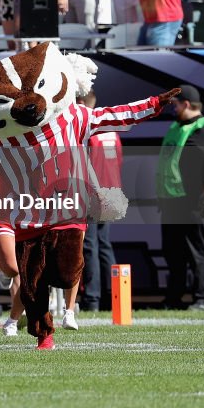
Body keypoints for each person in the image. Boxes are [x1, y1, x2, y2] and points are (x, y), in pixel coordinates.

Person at [156, 85, 204, 311]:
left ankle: (203, 299)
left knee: (196, 252)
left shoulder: (203, 131)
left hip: (192, 202)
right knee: (173, 252)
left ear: (186, 104)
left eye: (175, 104)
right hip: (172, 201)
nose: (172, 108)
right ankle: (173, 298)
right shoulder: (177, 127)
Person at [78, 91, 118, 314]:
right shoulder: (110, 129)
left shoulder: (87, 129)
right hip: (112, 192)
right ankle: (114, 296)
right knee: (104, 245)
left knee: (90, 246)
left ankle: (92, 299)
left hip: (94, 193)